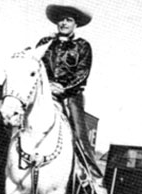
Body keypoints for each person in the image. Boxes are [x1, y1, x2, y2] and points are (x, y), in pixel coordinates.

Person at [36, 4, 102, 178]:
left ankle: (95, 184)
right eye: (61, 19)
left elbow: (82, 74)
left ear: (75, 24)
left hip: (70, 96)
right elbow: (34, 65)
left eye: (69, 20)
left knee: (80, 135)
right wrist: (47, 85)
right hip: (43, 91)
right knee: (9, 119)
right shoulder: (44, 43)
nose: (64, 23)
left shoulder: (82, 46)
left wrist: (63, 90)